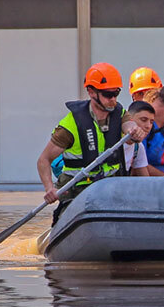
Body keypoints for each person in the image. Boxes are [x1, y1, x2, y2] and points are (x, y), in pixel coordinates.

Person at [35, 62, 149, 226]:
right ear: (91, 92)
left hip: (110, 189)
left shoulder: (120, 113)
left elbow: (128, 124)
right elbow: (43, 160)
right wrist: (49, 188)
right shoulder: (70, 126)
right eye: (108, 94)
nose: (113, 100)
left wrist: (134, 130)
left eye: (116, 93)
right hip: (78, 191)